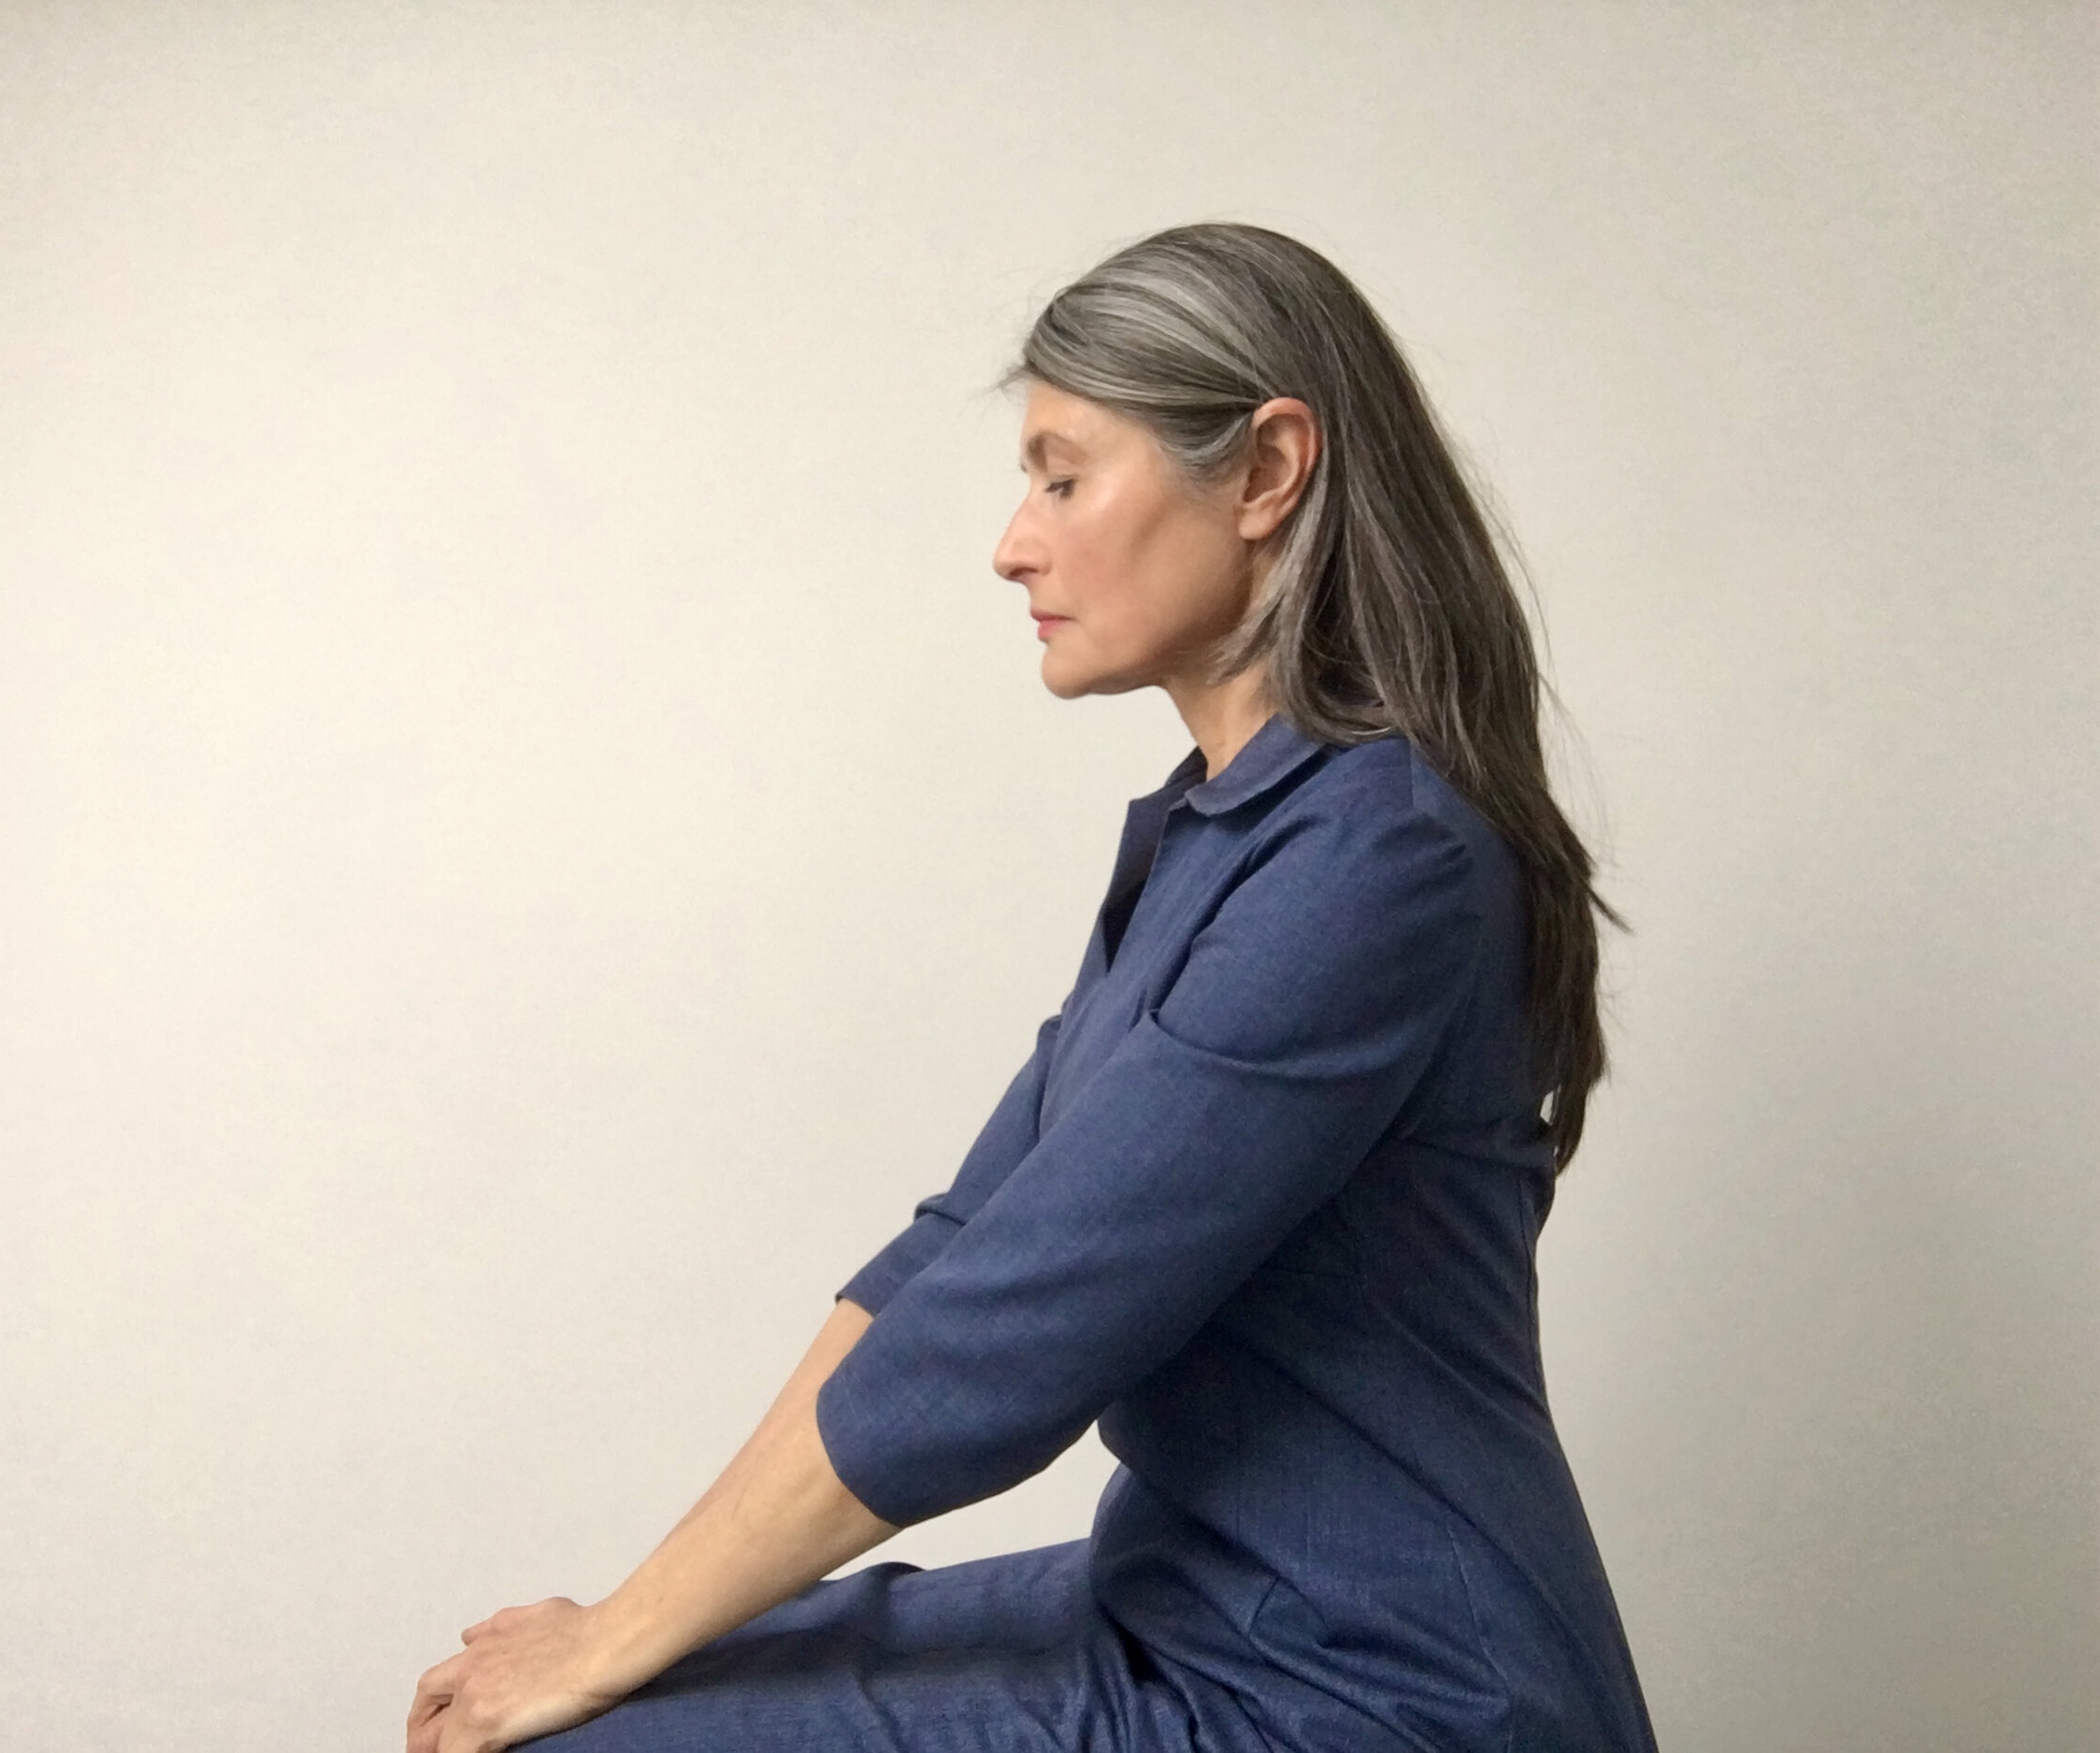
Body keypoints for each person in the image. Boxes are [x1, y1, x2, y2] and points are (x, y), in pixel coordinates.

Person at [406, 222, 1660, 1753]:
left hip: (1379, 1691)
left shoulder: (1377, 863)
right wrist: (624, 1626)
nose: (1014, 543)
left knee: (582, 1737)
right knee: (606, 1702)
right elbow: (954, 1256)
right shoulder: (1222, 835)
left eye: (1064, 479)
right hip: (1186, 1603)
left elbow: (1005, 1347)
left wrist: (607, 1648)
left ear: (1268, 472)